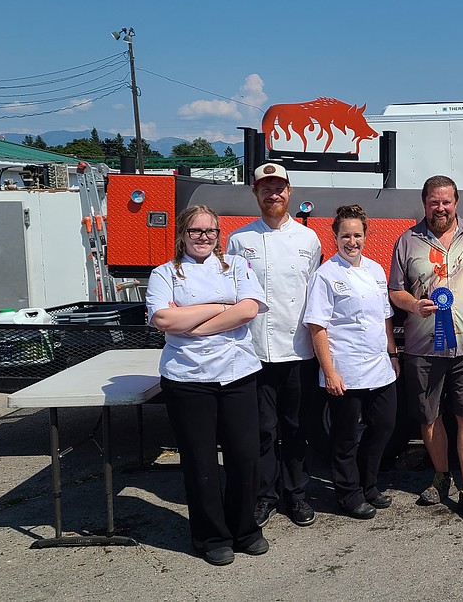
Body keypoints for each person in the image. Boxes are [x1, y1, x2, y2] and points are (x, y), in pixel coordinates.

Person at [146, 204, 270, 565]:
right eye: (195, 231)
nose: (204, 238)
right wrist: (220, 306)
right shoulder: (164, 273)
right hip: (188, 378)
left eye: (210, 231)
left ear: (219, 234)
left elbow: (249, 309)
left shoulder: (236, 266)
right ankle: (211, 536)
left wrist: (193, 322)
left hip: (238, 374)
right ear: (182, 234)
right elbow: (163, 317)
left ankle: (245, 529)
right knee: (200, 461)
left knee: (244, 456)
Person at [389, 175, 463, 522]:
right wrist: (412, 305)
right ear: (424, 203)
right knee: (429, 415)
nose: (440, 208)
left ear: (456, 202)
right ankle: (440, 475)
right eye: (434, 202)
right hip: (423, 347)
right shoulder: (407, 241)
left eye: (446, 201)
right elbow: (394, 290)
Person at [226, 163, 322, 530]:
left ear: (289, 192)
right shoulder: (239, 240)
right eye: (266, 188)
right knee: (263, 429)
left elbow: (314, 297)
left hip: (298, 350)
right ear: (256, 194)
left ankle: (296, 493)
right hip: (254, 352)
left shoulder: (308, 240)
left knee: (297, 427)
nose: (273, 194)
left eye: (279, 187)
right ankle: (265, 496)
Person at [304, 204, 399, 520]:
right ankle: (348, 495)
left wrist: (393, 352)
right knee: (344, 438)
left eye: (357, 235)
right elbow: (317, 326)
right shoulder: (325, 275)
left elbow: (385, 316)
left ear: (365, 236)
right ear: (335, 236)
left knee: (384, 425)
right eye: (346, 235)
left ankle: (368, 484)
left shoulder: (374, 270)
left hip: (379, 366)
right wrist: (329, 371)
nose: (352, 241)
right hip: (345, 369)